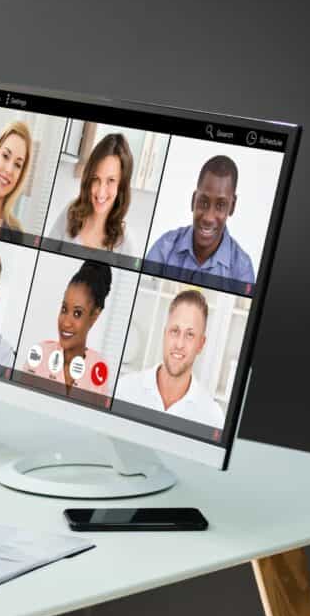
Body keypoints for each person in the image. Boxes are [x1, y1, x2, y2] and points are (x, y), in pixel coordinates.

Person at [114, 290, 225, 427]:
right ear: (165, 334)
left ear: (201, 344)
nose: (179, 344)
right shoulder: (124, 390)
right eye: (175, 331)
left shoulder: (212, 418)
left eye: (190, 335)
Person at [144, 155, 255, 287]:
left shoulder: (242, 270)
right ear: (193, 200)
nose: (208, 217)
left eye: (220, 205)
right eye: (203, 202)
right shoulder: (164, 249)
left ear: (232, 206)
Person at [21, 261, 113, 397]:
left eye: (77, 313)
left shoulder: (98, 368)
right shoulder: (40, 354)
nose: (66, 322)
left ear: (94, 316)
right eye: (64, 309)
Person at [46, 133, 136, 257]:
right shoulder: (71, 213)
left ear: (121, 185)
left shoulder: (125, 244)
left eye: (111, 180)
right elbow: (44, 258)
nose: (101, 192)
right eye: (96, 178)